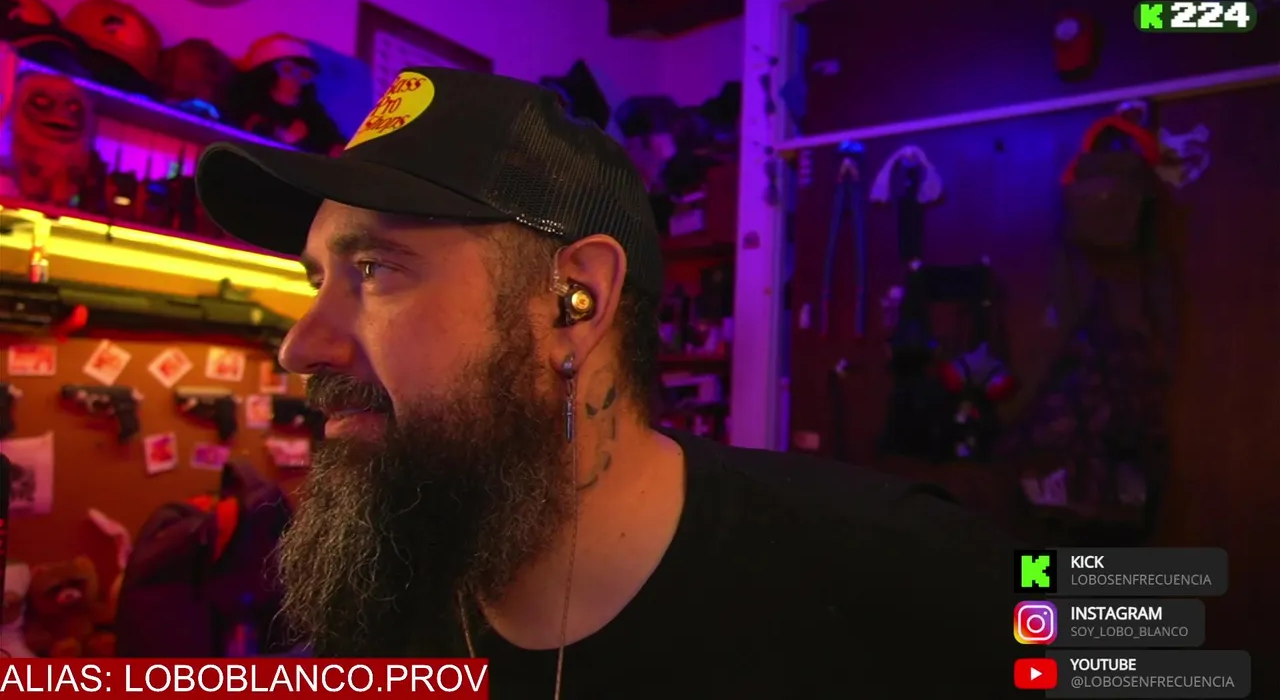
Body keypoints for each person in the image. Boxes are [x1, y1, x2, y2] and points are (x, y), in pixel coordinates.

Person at [196, 67, 1020, 698]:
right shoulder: (382, 597)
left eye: (375, 270)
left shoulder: (899, 562)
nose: (300, 347)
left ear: (574, 301)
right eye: (317, 281)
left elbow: (1111, 634)